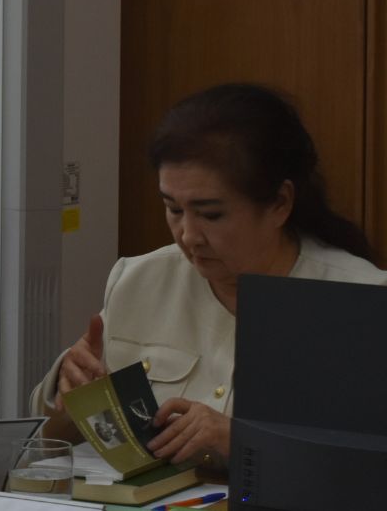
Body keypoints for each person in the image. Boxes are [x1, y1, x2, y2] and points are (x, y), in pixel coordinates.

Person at [31, 83, 387, 465]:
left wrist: (245, 444)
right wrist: (72, 394)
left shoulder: (363, 299)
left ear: (280, 204)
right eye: (173, 209)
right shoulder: (138, 282)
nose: (188, 235)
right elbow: (50, 445)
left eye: (211, 214)